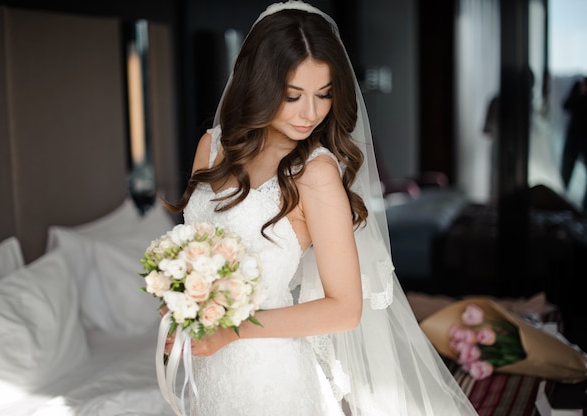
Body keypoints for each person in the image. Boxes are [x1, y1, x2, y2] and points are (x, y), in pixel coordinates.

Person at [162, 1, 478, 415]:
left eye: (324, 94)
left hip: (270, 377)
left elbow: (345, 309)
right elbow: (193, 251)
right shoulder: (212, 147)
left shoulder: (313, 172)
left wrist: (233, 332)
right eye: (293, 95)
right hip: (206, 370)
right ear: (259, 83)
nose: (310, 113)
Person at [560, 76, 587, 210]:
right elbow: (566, 105)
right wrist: (582, 93)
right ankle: (561, 203)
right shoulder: (578, 85)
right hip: (573, 136)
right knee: (565, 172)